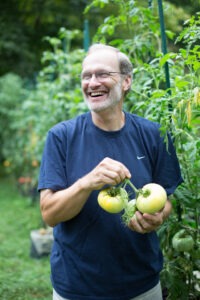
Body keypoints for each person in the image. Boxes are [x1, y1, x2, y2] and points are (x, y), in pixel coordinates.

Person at [38, 44, 183, 300]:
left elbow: (166, 200)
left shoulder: (153, 134)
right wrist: (87, 183)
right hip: (77, 287)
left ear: (126, 81)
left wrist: (158, 217)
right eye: (86, 76)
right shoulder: (62, 137)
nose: (93, 82)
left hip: (142, 284)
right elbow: (50, 214)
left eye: (103, 74)